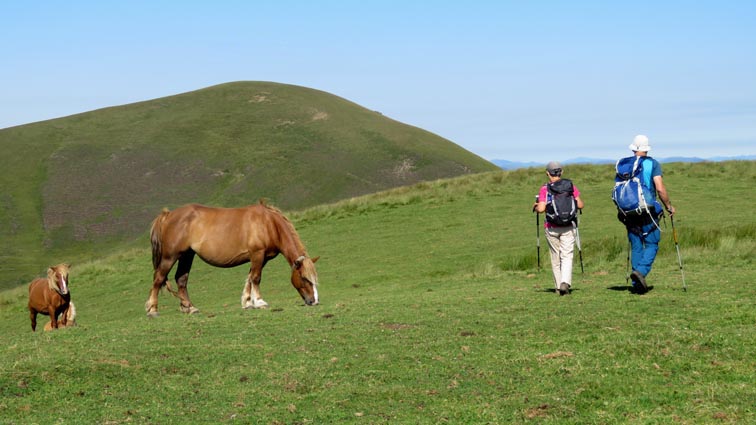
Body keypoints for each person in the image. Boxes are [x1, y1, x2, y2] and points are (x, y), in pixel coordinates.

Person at [618, 135, 675, 293]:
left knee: (636, 244)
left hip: (628, 211)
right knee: (651, 243)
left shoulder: (623, 164)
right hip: (647, 209)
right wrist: (669, 206)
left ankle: (637, 285)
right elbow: (660, 188)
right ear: (647, 148)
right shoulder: (652, 163)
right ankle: (641, 272)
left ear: (633, 148)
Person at [533, 161, 584, 295]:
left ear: (547, 173)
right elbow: (580, 205)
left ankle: (557, 286)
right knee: (567, 256)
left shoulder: (545, 189)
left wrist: (536, 206)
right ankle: (565, 282)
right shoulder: (570, 186)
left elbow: (542, 208)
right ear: (561, 172)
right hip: (568, 225)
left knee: (555, 256)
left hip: (551, 227)